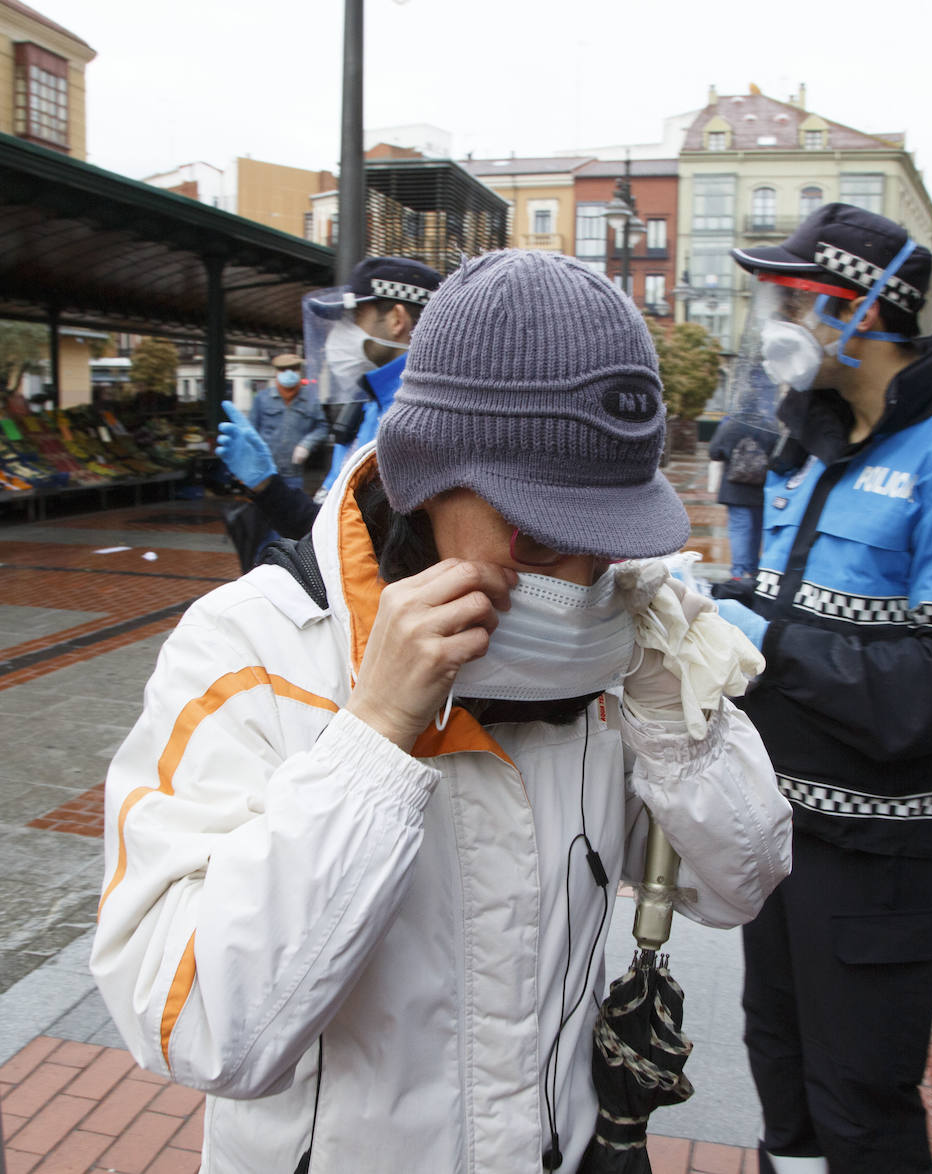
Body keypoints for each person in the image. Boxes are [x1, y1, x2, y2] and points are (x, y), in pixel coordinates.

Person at [91, 250, 793, 1173]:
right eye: (538, 533)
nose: (575, 578)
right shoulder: (254, 647)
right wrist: (373, 735)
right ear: (424, 477)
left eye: (604, 538)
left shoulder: (624, 648)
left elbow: (736, 885)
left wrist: (676, 710)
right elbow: (192, 1027)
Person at [714, 203, 932, 1174]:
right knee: (781, 1084)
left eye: (789, 295)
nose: (772, 315)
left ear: (860, 310)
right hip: (779, 839)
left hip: (872, 861)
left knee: (861, 1110)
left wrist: (767, 641)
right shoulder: (818, 444)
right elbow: (805, 615)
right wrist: (710, 607)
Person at [218, 256, 442, 540]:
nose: (338, 334)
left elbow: (354, 543)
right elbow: (325, 526)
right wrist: (266, 484)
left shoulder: (420, 421)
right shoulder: (371, 404)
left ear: (397, 319)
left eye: (354, 317)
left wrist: (268, 485)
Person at [708, 408, 773, 581]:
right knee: (757, 530)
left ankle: (738, 571)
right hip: (760, 488)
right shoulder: (768, 425)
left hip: (734, 488)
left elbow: (714, 452)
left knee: (739, 529)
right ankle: (753, 569)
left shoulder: (731, 425)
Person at [248, 353, 327, 491]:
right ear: (276, 373)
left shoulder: (311, 400)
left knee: (293, 509)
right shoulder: (262, 399)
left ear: (300, 372)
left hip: (294, 472)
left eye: (294, 368)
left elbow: (322, 427)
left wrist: (306, 445)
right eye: (283, 370)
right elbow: (251, 431)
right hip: (266, 471)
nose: (289, 373)